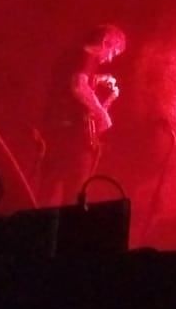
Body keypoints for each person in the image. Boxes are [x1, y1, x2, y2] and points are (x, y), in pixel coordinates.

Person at [37, 23, 125, 206]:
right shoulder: (87, 57)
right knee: (74, 194)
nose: (109, 59)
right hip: (72, 138)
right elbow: (78, 86)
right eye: (112, 52)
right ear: (105, 42)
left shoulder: (73, 55)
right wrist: (102, 114)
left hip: (56, 133)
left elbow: (71, 81)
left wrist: (98, 79)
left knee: (47, 191)